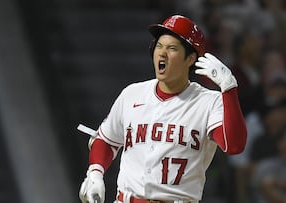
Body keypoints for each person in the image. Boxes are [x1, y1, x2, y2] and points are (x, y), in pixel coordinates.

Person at [78, 15, 247, 203]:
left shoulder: (209, 101)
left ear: (190, 58)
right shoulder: (132, 94)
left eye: (172, 48)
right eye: (159, 46)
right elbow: (107, 139)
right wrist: (95, 173)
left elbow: (234, 145)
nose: (162, 53)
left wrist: (229, 89)